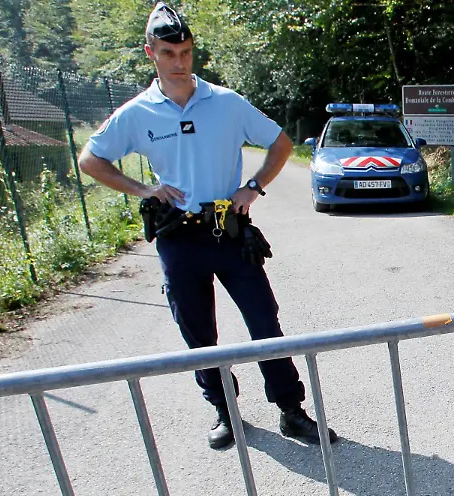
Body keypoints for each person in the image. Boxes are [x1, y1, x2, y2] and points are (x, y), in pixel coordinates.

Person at [79, 3, 336, 449]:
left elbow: (280, 143)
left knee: (264, 322)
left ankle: (291, 411)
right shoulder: (138, 113)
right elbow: (90, 160)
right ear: (150, 53)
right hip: (178, 238)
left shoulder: (227, 102)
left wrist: (252, 186)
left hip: (230, 229)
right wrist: (143, 190)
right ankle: (225, 409)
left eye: (186, 52)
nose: (179, 62)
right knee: (198, 332)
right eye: (168, 53)